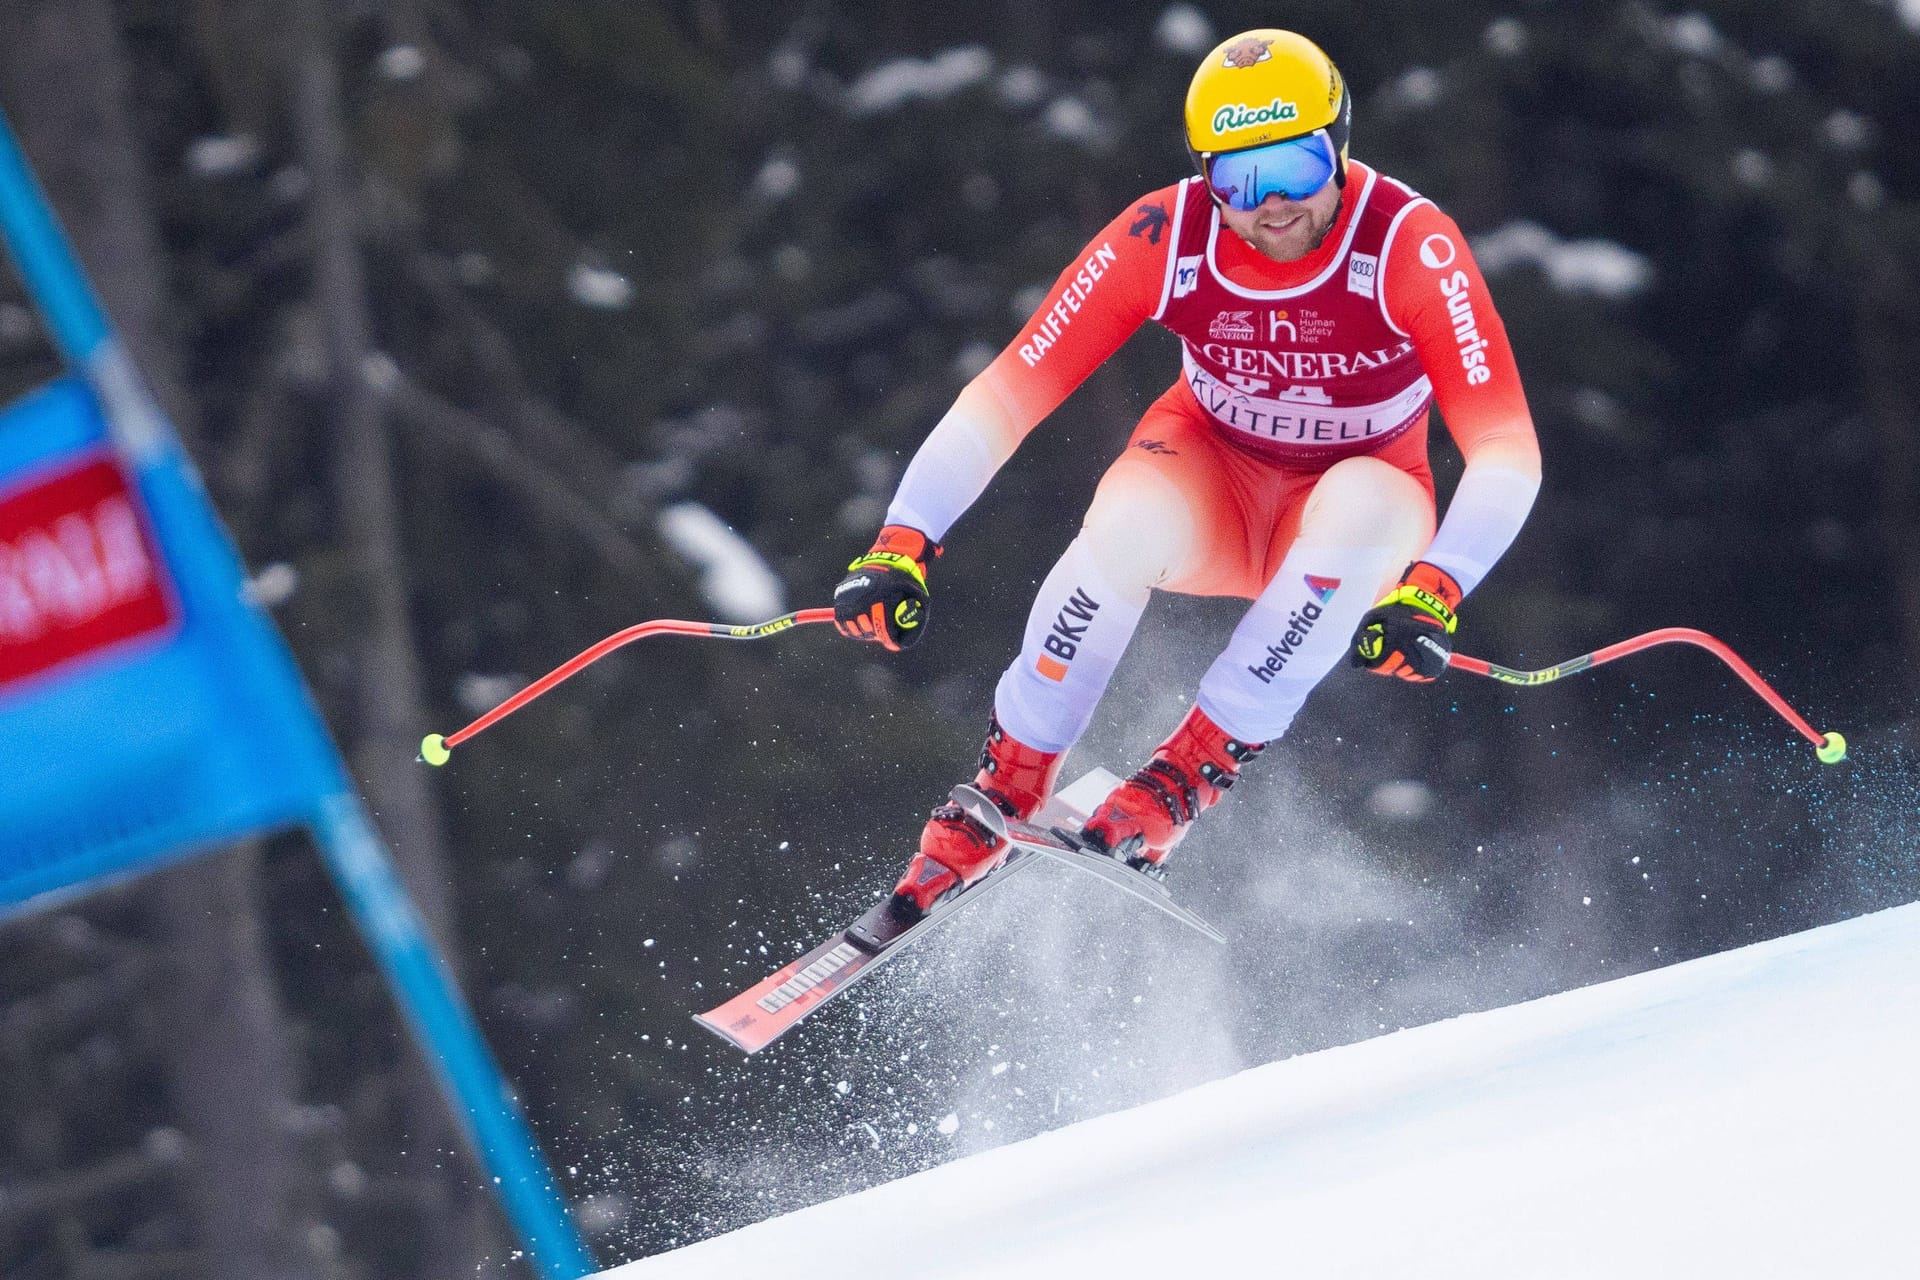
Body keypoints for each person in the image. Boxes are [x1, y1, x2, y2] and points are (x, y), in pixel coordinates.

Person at [833, 29, 1540, 917]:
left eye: (1295, 165)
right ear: (1206, 174)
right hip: (1212, 483)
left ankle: (1184, 776)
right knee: (1123, 519)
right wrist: (905, 538)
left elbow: (1508, 451)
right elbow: (1009, 391)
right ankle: (1007, 782)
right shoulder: (1165, 236)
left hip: (1350, 508)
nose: (1271, 204)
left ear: (1342, 145)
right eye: (1239, 179)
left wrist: (1437, 587)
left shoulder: (1406, 244)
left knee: (1362, 505)